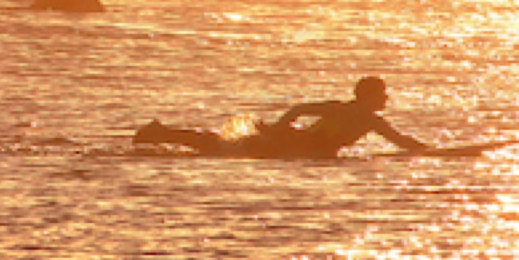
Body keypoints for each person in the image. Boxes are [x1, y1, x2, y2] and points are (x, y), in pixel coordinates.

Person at [132, 76, 437, 159]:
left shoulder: (342, 108)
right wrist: (432, 152)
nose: (386, 98)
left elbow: (299, 109)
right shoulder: (363, 117)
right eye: (382, 94)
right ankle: (160, 133)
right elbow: (401, 142)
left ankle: (162, 133)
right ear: (369, 97)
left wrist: (281, 126)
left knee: (216, 146)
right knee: (215, 148)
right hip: (288, 146)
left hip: (289, 143)